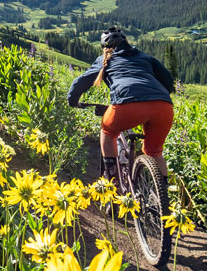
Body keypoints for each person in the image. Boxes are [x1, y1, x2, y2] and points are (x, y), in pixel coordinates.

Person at [67, 26, 175, 181]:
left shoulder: (104, 60)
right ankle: (161, 198)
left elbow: (80, 83)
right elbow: (169, 83)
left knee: (107, 132)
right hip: (164, 106)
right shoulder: (145, 57)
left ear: (104, 47)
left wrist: (73, 101)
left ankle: (113, 180)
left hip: (127, 104)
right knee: (154, 152)